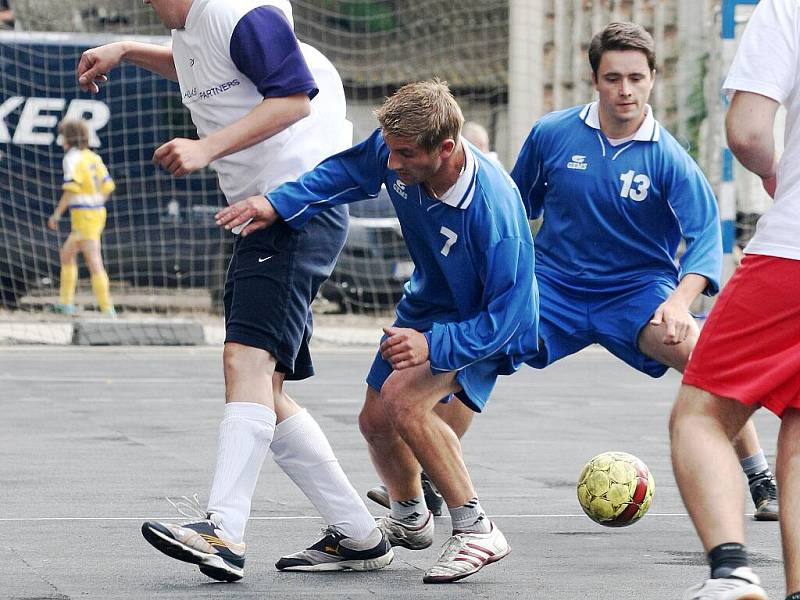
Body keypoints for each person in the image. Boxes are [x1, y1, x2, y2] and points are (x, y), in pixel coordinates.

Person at [367, 21, 780, 523]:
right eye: (612, 78)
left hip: (636, 293)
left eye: (635, 77)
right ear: (595, 79)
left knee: (703, 355)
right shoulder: (553, 135)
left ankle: (760, 478)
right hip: (552, 287)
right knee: (478, 347)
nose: (624, 90)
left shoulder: (669, 158)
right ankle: (427, 477)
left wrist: (678, 302)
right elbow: (510, 208)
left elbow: (705, 243)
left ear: (653, 79)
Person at [76, 0, 392, 581]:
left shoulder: (239, 12)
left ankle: (223, 531)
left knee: (244, 360)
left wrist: (207, 147)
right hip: (268, 210)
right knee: (263, 388)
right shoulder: (201, 29)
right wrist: (125, 50)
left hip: (291, 208)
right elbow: (198, 64)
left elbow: (296, 96)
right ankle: (358, 531)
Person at [215, 79, 541, 583]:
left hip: (487, 322)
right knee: (375, 421)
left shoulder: (492, 210)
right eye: (389, 150)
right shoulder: (398, 148)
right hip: (428, 304)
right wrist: (277, 203)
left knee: (404, 402)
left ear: (447, 149)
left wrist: (435, 345)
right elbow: (347, 172)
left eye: (405, 154)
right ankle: (411, 516)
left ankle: (477, 529)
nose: (392, 164)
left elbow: (510, 316)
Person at [670, 0, 800, 598]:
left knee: (702, 416)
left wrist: (776, 173)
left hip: (793, 252)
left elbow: (748, 132)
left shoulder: (785, 9)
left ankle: (732, 570)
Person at [47, 118, 116, 316]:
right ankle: (65, 303)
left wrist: (57, 215)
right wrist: (96, 202)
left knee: (94, 259)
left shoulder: (72, 158)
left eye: (62, 137)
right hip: (95, 214)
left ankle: (107, 307)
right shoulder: (93, 158)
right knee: (67, 254)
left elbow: (70, 190)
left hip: (84, 216)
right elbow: (108, 186)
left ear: (67, 139)